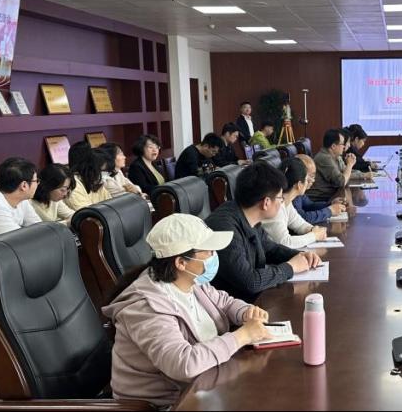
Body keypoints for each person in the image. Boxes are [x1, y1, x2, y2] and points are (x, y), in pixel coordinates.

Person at [103, 214, 272, 408]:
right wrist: (242, 336)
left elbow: (224, 302)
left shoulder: (191, 281)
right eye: (208, 251)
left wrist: (245, 311)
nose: (214, 256)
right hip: (166, 404)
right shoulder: (146, 307)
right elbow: (183, 364)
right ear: (181, 263)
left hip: (206, 383)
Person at [205, 162, 322, 302]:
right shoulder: (225, 228)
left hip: (251, 301)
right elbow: (250, 282)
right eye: (280, 198)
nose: (282, 202)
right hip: (230, 307)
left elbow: (270, 248)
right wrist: (291, 267)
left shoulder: (247, 215)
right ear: (266, 203)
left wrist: (300, 255)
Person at [262, 158, 327, 249]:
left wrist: (313, 229)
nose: (308, 182)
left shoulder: (287, 202)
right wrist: (314, 236)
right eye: (306, 179)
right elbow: (285, 242)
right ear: (299, 185)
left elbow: (299, 224)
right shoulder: (276, 205)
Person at [293, 155, 346, 225]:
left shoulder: (300, 192)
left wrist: (330, 204)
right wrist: (329, 211)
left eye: (313, 176)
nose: (313, 180)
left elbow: (309, 205)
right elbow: (302, 219)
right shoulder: (292, 193)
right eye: (310, 176)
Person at [306, 128, 355, 203]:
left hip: (330, 196)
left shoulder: (334, 156)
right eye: (342, 144)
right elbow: (341, 182)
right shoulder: (324, 158)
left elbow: (345, 173)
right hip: (317, 201)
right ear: (333, 146)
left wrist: (364, 175)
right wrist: (350, 165)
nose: (344, 147)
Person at [65, 145, 113, 210]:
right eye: (103, 171)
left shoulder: (97, 184)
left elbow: (112, 206)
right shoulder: (74, 185)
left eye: (108, 172)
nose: (106, 175)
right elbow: (88, 213)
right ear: (90, 170)